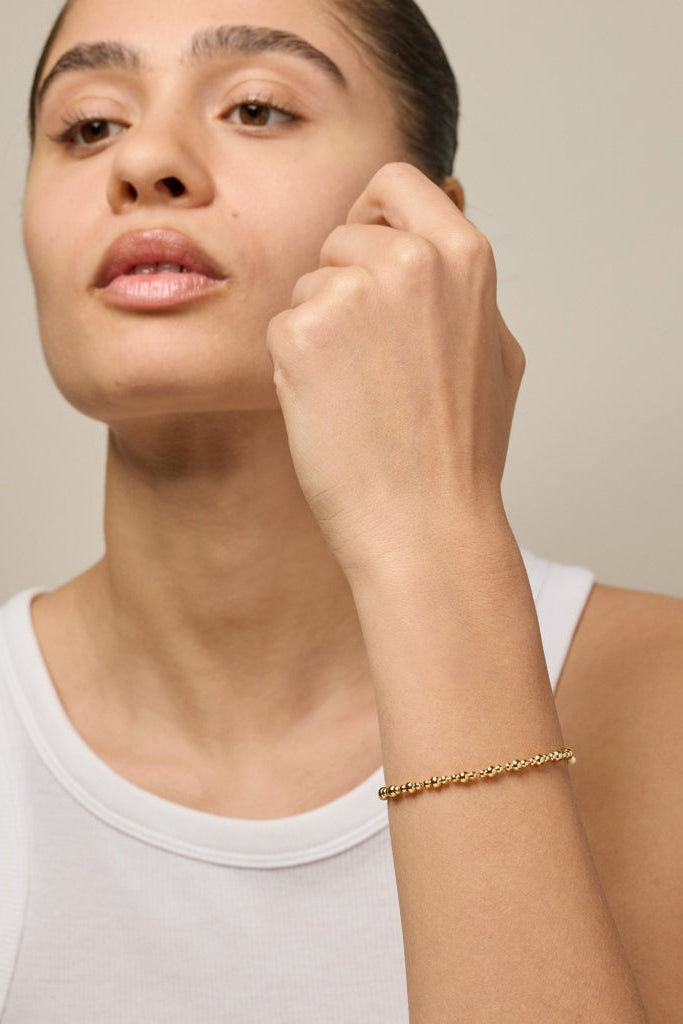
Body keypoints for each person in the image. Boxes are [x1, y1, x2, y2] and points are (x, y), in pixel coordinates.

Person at [0, 0, 680, 1019]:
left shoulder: (663, 703)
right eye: (89, 125)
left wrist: (434, 534)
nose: (143, 161)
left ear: (426, 230)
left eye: (255, 108)